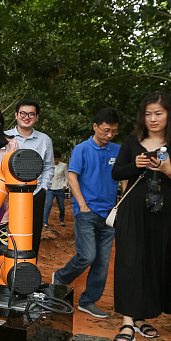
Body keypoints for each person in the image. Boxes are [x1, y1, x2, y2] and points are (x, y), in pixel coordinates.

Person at [111, 94, 171, 341]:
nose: (153, 119)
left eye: (158, 113)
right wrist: (136, 164)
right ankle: (127, 321)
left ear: (168, 115)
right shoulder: (132, 141)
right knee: (130, 261)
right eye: (149, 114)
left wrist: (168, 170)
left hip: (163, 212)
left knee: (154, 261)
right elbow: (116, 172)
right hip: (133, 211)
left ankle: (141, 318)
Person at [51, 108, 121, 319]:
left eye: (114, 131)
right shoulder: (82, 149)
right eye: (106, 130)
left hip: (109, 215)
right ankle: (61, 277)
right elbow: (72, 178)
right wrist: (82, 206)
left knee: (102, 261)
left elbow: (124, 178)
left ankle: (88, 301)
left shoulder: (118, 150)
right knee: (87, 255)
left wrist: (121, 206)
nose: (109, 135)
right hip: (87, 212)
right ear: (95, 126)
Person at [5, 100, 54, 256]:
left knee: (33, 235)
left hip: (35, 194)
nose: (27, 117)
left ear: (36, 117)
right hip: (7, 195)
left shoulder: (45, 140)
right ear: (16, 115)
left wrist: (43, 188)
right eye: (23, 113)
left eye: (31, 114)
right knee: (7, 234)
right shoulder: (5, 137)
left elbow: (48, 166)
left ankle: (29, 271)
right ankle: (6, 273)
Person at [43, 156, 68, 228]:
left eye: (57, 159)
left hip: (60, 188)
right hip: (50, 188)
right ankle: (45, 222)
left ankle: (61, 220)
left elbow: (66, 176)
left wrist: (64, 185)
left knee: (62, 207)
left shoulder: (63, 165)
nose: (56, 160)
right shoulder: (49, 166)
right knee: (48, 205)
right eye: (54, 159)